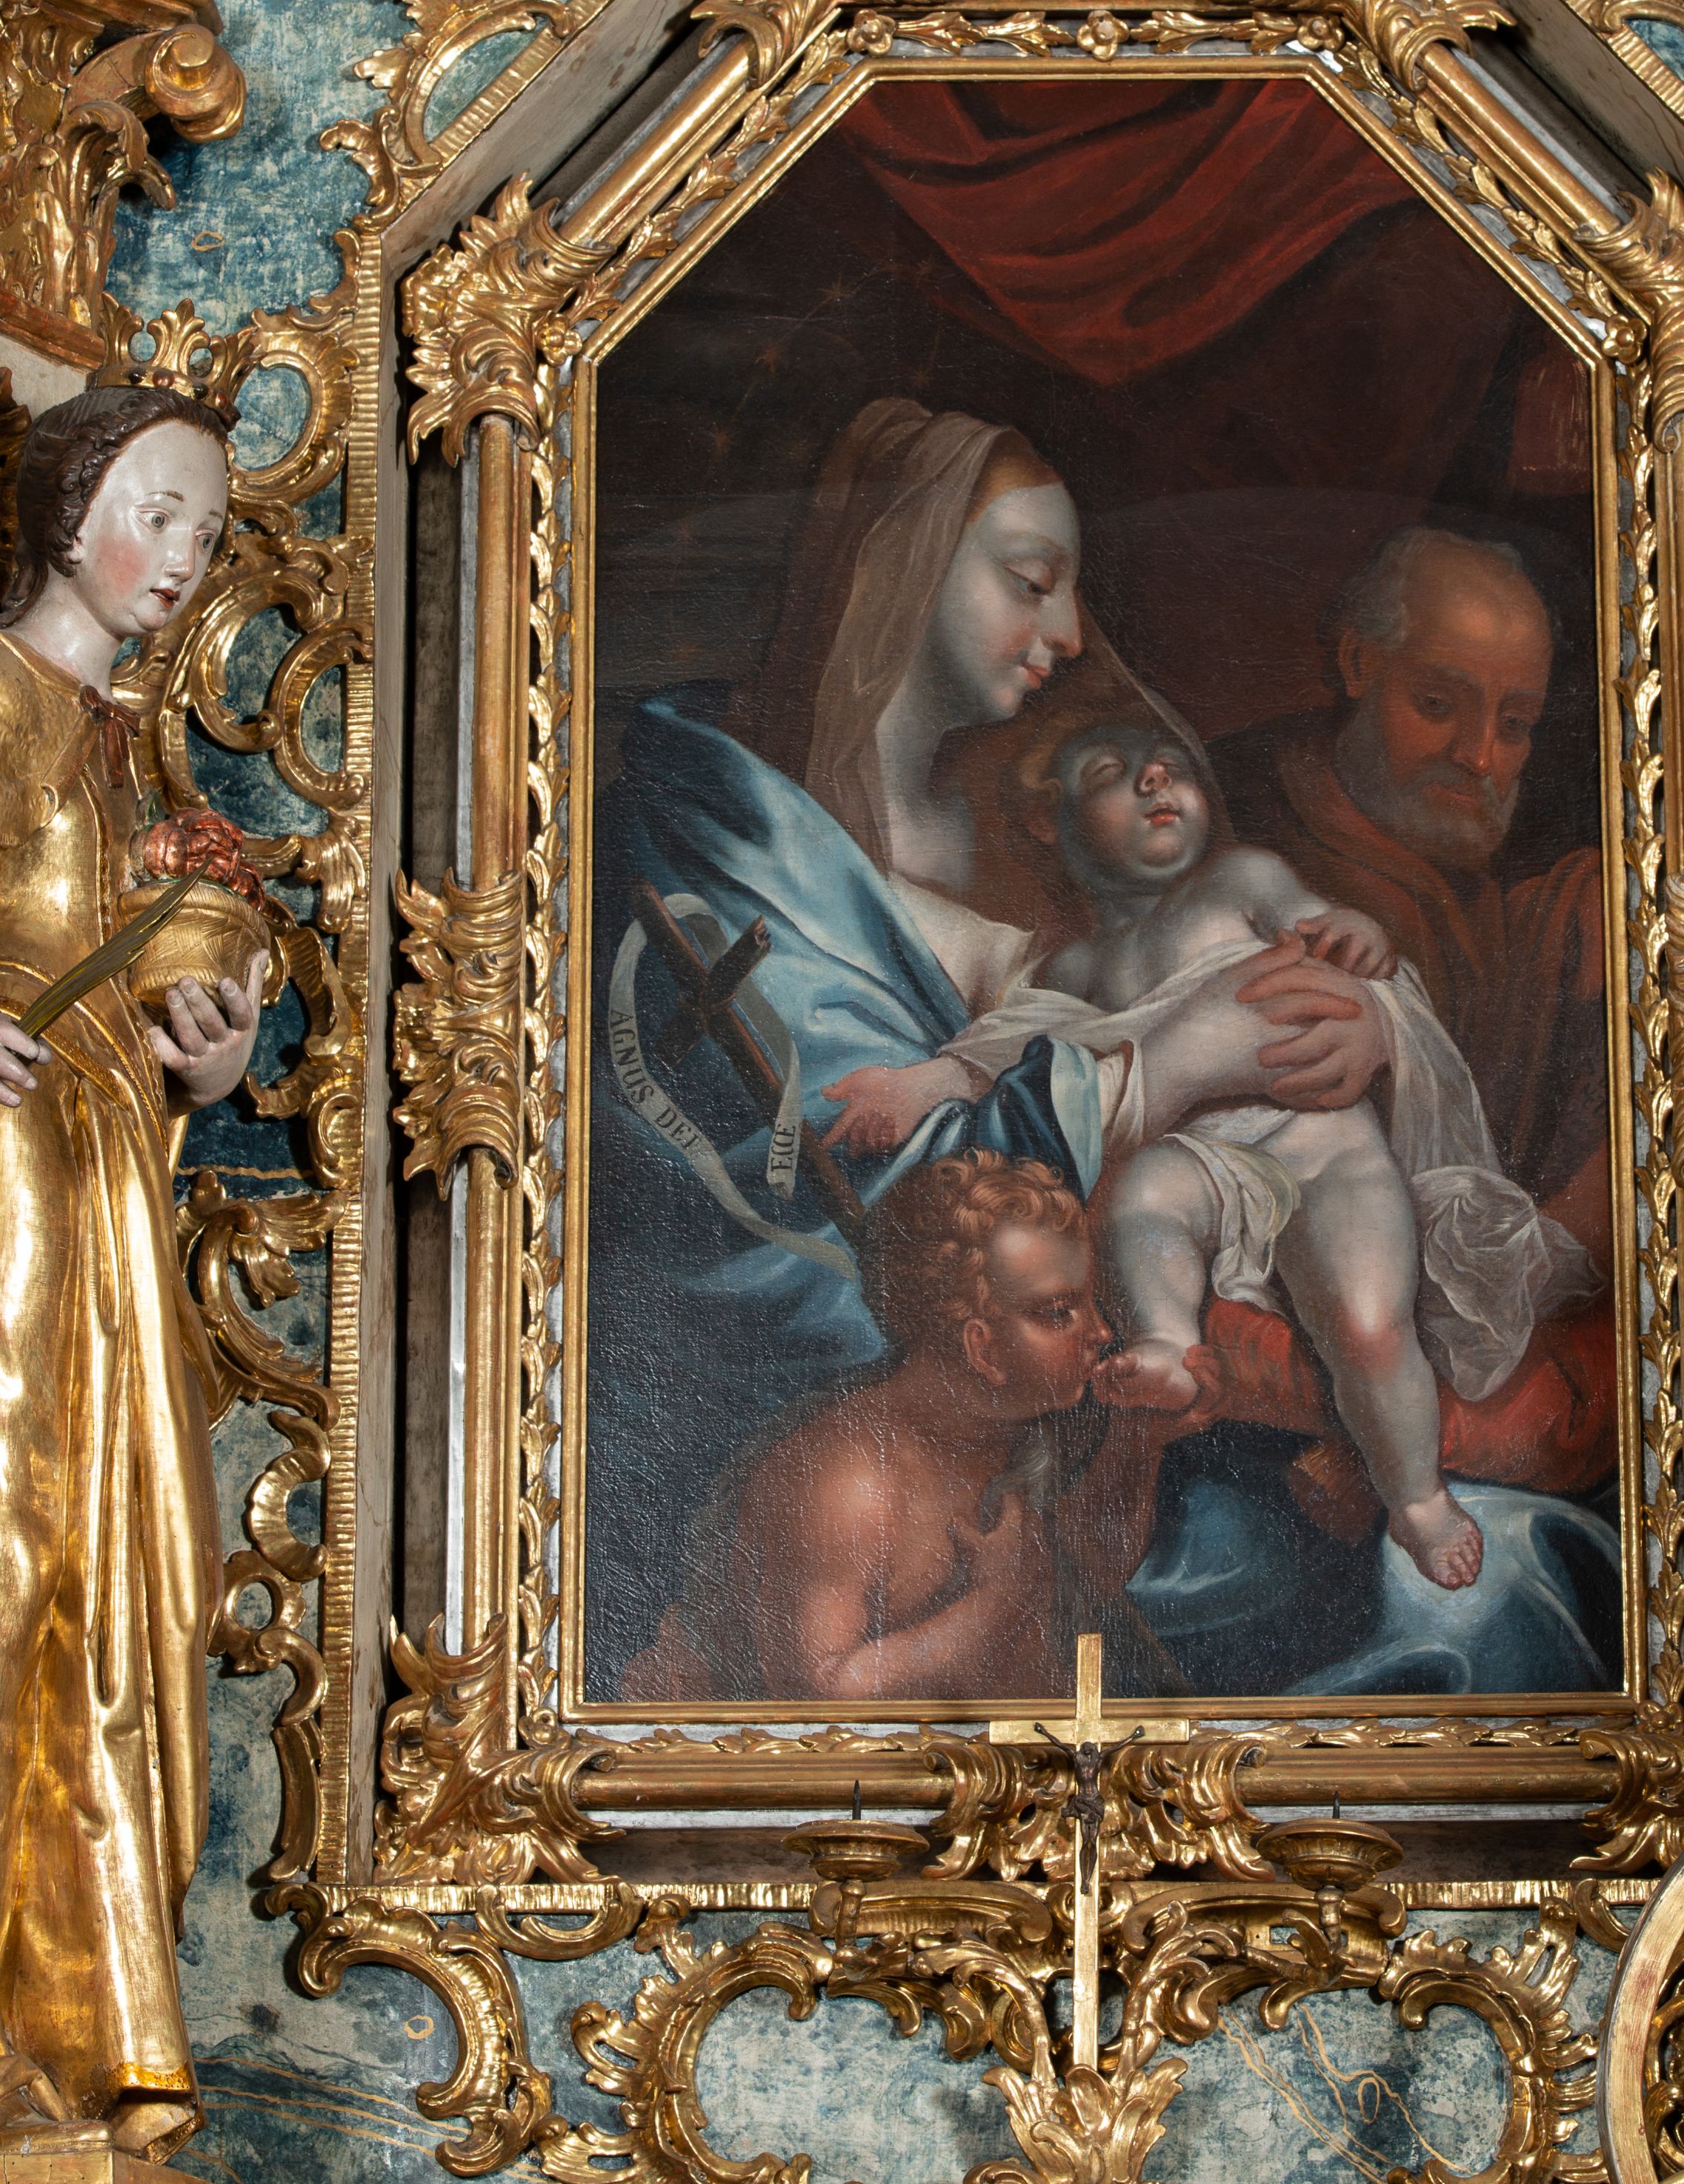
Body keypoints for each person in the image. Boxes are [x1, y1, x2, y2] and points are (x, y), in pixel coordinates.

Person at [590, 399, 1393, 1681]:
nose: (1067, 635)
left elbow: (1144, 983)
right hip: (862, 1484)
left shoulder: (1036, 806)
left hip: (1098, 1426)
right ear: (899, 569)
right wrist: (1166, 1067)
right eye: (1030, 582)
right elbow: (843, 1204)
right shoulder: (720, 840)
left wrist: (1334, 1023)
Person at [836, 722, 1593, 1591]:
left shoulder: (1240, 882)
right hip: (1204, 1161)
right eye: (1116, 772)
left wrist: (1353, 936)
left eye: (1174, 770)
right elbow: (995, 1053)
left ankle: (1417, 1497)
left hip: (1324, 1147)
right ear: (1052, 820)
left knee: (1368, 1326)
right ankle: (1168, 1344)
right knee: (1142, 1200)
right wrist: (911, 1088)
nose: (1156, 781)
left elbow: (1318, 925)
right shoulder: (1070, 969)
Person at [0, 385, 267, 2147]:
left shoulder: (126, 762)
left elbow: (170, 990)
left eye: (205, 530)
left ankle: (89, 2028)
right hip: (12, 1157)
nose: (179, 556)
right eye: (153, 510)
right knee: (14, 1540)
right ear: (64, 502)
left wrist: (216, 1053)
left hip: (107, 1171)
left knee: (130, 1565)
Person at [628, 1152, 1211, 1699]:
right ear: (981, 1347)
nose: (1102, 1332)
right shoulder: (848, 1483)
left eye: (1091, 1302)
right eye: (1061, 1313)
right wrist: (997, 1600)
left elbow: (1080, 1580)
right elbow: (820, 1692)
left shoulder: (1009, 1428)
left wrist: (1135, 1446)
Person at [1211, 527, 1609, 1267]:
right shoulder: (1229, 819)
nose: (1478, 756)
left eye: (1514, 725)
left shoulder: (1468, 849)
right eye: (1436, 703)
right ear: (1359, 664)